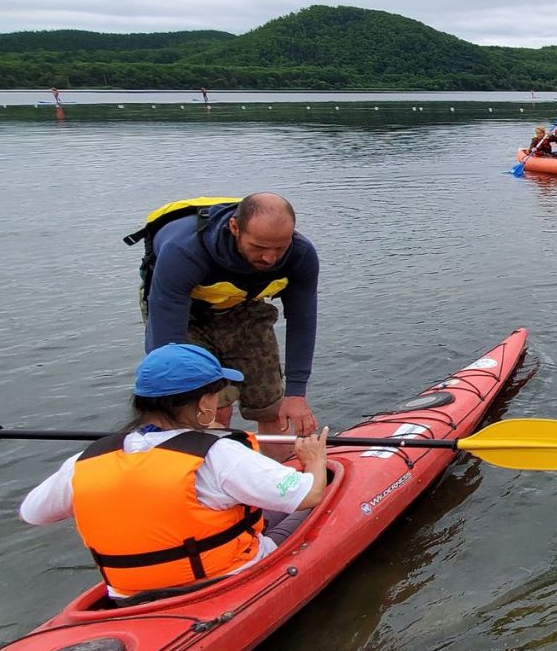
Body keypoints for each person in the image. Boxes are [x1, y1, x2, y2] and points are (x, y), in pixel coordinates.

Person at [19, 343, 329, 602]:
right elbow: (309, 493)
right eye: (218, 395)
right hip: (220, 581)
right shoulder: (219, 454)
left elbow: (32, 512)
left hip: (126, 594)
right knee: (325, 493)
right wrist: (314, 459)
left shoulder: (84, 461)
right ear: (202, 405)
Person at [139, 192, 320, 441]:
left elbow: (303, 321)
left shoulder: (301, 255)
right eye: (259, 247)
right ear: (234, 227)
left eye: (280, 247)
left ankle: (275, 474)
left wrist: (297, 393)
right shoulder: (184, 252)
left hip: (242, 305)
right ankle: (204, 468)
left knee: (273, 409)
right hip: (185, 314)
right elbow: (166, 348)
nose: (270, 258)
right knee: (211, 409)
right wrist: (176, 401)